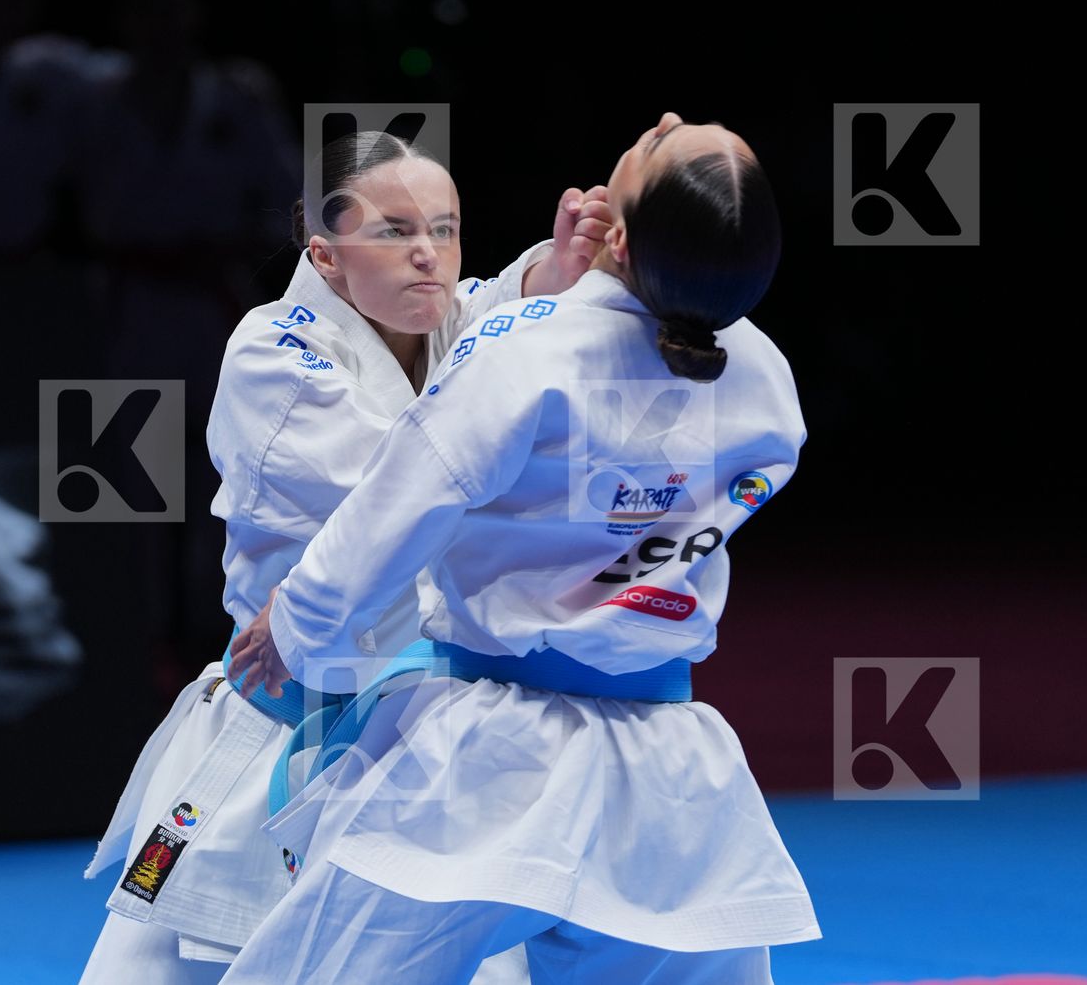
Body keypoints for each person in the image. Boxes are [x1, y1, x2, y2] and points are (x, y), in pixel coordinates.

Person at [224, 112, 821, 984]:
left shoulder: (527, 355)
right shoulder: (766, 380)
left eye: (664, 142)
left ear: (619, 231)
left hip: (496, 754)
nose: (661, 121)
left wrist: (299, 624)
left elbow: (399, 504)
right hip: (673, 765)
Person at [78, 128, 612, 984]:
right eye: (394, 231)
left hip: (420, 744)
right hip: (278, 729)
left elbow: (497, 305)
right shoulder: (273, 356)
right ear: (326, 256)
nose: (427, 255)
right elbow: (424, 494)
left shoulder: (447, 323)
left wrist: (558, 273)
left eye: (444, 227)